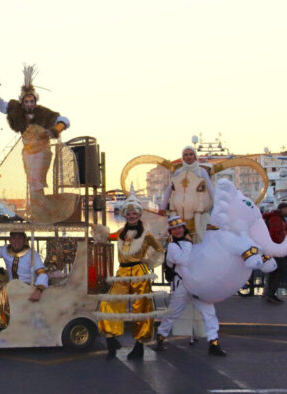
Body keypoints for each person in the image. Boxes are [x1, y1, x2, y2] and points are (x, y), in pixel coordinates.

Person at [96, 193, 163, 361]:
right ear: (125, 215)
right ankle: (111, 341)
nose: (132, 216)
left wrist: (149, 262)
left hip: (140, 273)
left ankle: (139, 345)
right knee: (108, 303)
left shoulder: (146, 234)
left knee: (141, 309)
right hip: (123, 273)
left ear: (139, 215)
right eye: (129, 213)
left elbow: (160, 250)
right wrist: (97, 230)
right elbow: (105, 237)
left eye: (135, 213)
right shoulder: (121, 233)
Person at [0, 65, 69, 197]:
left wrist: (55, 130)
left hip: (42, 151)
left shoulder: (44, 113)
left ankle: (39, 207)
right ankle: (35, 208)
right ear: (22, 102)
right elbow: (1, 105)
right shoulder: (16, 110)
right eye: (26, 101)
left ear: (35, 102)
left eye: (32, 101)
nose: (29, 104)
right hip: (28, 152)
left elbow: (64, 120)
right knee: (31, 182)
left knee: (37, 181)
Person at [155, 216, 226, 357]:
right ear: (171, 232)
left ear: (184, 228)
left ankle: (214, 342)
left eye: (179, 227)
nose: (177, 231)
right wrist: (188, 243)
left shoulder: (191, 245)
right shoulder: (172, 246)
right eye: (174, 229)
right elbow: (184, 260)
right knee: (173, 314)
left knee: (209, 313)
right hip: (181, 285)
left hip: (195, 284)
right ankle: (160, 337)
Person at [0, 232, 48, 329]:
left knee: (5, 291)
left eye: (20, 238)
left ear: (24, 240)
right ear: (10, 240)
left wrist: (39, 290)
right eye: (14, 238)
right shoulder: (5, 250)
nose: (16, 241)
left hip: (27, 286)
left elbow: (42, 273)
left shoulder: (32, 254)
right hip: (12, 285)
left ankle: (2, 322)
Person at [158, 146, 214, 243]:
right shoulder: (178, 172)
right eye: (186, 155)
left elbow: (211, 189)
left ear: (195, 156)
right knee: (179, 241)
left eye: (191, 154)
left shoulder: (201, 172)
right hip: (179, 216)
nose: (188, 157)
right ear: (183, 157)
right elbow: (169, 190)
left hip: (197, 215)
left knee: (199, 240)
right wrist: (162, 207)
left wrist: (219, 206)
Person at [262, 202, 287, 304]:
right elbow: (274, 234)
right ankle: (271, 295)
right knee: (280, 270)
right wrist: (281, 245)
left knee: (274, 271)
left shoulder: (278, 218)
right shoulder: (276, 219)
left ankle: (269, 294)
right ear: (282, 209)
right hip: (277, 250)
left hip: (275, 249)